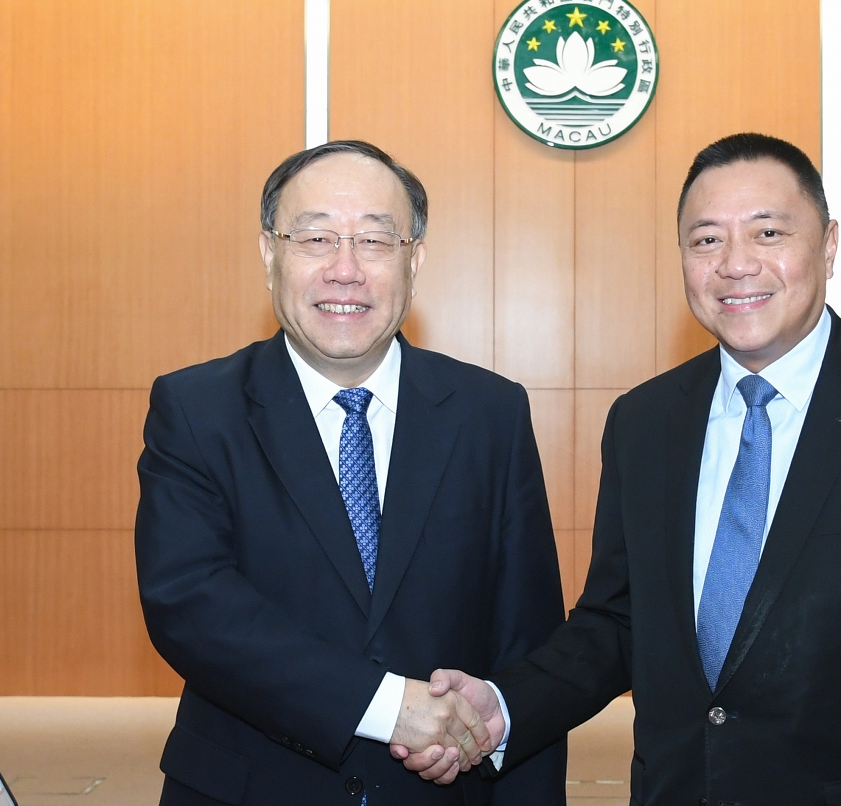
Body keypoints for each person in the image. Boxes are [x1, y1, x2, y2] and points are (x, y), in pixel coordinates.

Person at [403, 133, 841, 804]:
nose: (735, 264)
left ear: (828, 244)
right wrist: (506, 705)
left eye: (768, 233)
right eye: (706, 240)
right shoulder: (644, 423)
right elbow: (619, 621)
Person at [135, 140, 567, 805]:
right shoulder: (197, 409)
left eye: (374, 241)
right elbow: (191, 604)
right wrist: (384, 705)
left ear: (414, 261)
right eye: (315, 239)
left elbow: (526, 644)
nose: (345, 270)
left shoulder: (490, 413)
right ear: (269, 254)